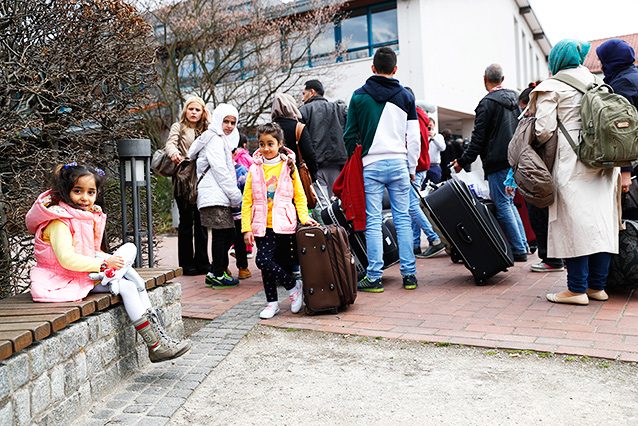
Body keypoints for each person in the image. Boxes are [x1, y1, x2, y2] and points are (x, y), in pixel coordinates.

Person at [26, 163, 190, 362]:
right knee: (130, 286)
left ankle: (157, 336)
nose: (85, 198)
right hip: (63, 280)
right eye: (78, 191)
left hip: (86, 273)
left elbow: (90, 252)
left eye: (91, 192)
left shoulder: (84, 216)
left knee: (130, 250)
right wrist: (105, 265)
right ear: (65, 191)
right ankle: (155, 345)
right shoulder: (59, 221)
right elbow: (67, 259)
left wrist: (109, 262)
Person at [528, 39, 620, 305]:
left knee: (574, 225)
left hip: (573, 163)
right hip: (604, 163)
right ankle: (597, 287)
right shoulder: (598, 82)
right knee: (601, 225)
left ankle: (576, 289)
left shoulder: (552, 87)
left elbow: (543, 130)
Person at [343, 47, 420, 292]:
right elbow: (414, 137)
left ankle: (374, 276)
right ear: (395, 69)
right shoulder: (406, 96)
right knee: (403, 218)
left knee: (374, 220)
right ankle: (409, 276)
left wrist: (354, 157)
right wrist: (412, 167)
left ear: (372, 68)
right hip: (399, 163)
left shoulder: (358, 96)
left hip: (371, 164)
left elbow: (349, 135)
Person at [241, 123, 320, 319]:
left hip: (284, 224)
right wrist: (246, 228)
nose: (266, 148)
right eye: (262, 144)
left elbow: (300, 196)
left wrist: (304, 217)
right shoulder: (254, 169)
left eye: (270, 143)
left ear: (280, 144)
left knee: (280, 263)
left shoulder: (288, 166)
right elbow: (247, 200)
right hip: (261, 225)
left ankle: (290, 290)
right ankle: (283, 294)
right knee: (263, 261)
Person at [453, 63, 528, 262]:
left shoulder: (486, 104)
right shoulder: (517, 99)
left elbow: (478, 139)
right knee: (509, 203)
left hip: (497, 161)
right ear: (502, 79)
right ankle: (523, 245)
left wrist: (462, 162)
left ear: (485, 79)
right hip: (515, 160)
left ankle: (519, 249)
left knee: (503, 204)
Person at [189, 103, 243, 289]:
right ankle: (217, 273)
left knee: (225, 234)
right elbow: (221, 170)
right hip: (215, 195)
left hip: (215, 195)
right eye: (226, 121)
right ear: (218, 120)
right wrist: (235, 195)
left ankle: (215, 271)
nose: (229, 125)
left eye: (233, 122)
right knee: (225, 234)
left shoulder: (215, 138)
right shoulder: (215, 139)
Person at [517, 82, 564, 273]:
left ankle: (552, 260)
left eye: (525, 109)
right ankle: (556, 258)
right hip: (552, 173)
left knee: (539, 216)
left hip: (540, 176)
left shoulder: (539, 124)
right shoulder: (556, 118)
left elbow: (524, 151)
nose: (525, 113)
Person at [163, 96, 209, 275]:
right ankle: (187, 264)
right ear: (185, 110)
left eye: (198, 109)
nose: (194, 112)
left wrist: (209, 118)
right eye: (191, 109)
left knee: (202, 221)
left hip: (203, 179)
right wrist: (175, 154)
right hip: (183, 178)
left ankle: (203, 262)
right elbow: (170, 144)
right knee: (186, 221)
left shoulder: (207, 128)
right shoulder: (179, 127)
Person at [404, 87, 445, 258]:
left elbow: (413, 143)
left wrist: (410, 168)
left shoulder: (413, 116)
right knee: (413, 206)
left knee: (411, 205)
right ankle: (415, 244)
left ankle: (434, 238)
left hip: (416, 167)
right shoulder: (420, 115)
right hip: (421, 166)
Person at [596, 38, 638, 194]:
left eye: (602, 61)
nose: (600, 65)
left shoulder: (622, 84)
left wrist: (625, 170)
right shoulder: (633, 76)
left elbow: (623, 127)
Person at [299, 79, 348, 196]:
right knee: (337, 200)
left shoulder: (303, 111)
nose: (302, 98)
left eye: (304, 93)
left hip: (316, 165)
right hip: (337, 163)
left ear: (312, 92)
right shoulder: (337, 108)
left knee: (321, 203)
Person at [271, 92, 318, 180]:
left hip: (272, 175)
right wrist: (313, 174)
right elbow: (309, 154)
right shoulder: (298, 127)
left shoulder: (268, 129)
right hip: (295, 176)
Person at [426, 117, 446, 184]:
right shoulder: (422, 136)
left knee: (436, 186)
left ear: (434, 125)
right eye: (427, 124)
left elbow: (442, 148)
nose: (429, 126)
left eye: (431, 124)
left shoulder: (439, 136)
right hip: (424, 166)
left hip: (435, 166)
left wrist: (433, 138)